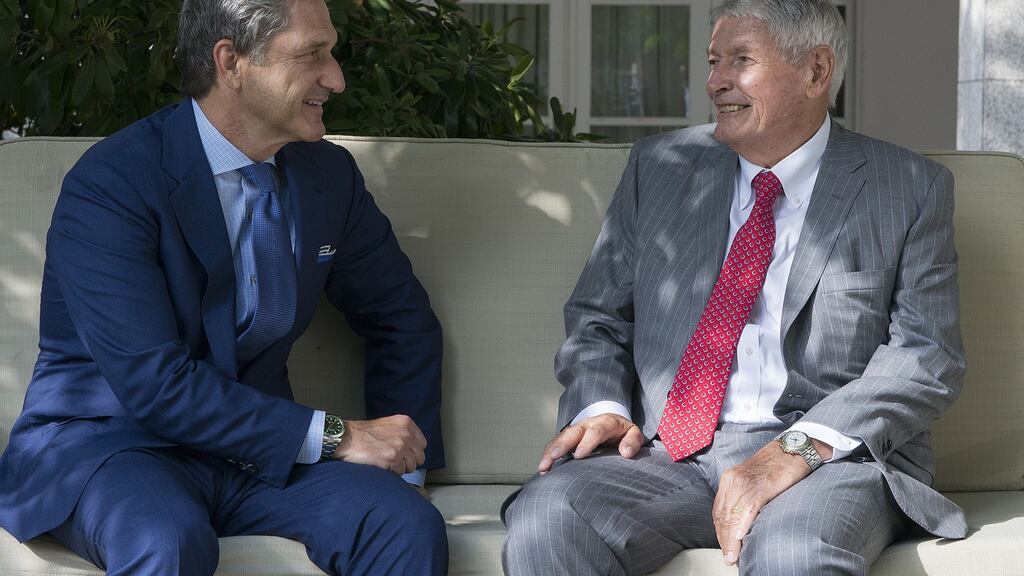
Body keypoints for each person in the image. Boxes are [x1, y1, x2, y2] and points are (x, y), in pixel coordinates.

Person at [502, 0, 966, 574]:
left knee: (793, 553)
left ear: (817, 71)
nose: (715, 82)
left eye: (740, 61)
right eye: (713, 62)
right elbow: (598, 315)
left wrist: (794, 451)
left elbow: (926, 356)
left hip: (824, 458)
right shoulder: (662, 166)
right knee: (549, 515)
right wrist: (602, 404)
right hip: (666, 453)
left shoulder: (908, 187)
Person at [0, 0, 447, 574]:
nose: (334, 78)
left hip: (254, 458)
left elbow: (399, 317)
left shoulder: (328, 177)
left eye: (331, 53)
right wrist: (336, 435)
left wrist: (403, 466)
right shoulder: (114, 182)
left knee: (402, 523)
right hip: (112, 445)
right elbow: (154, 384)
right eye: (313, 54)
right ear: (232, 62)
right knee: (165, 538)